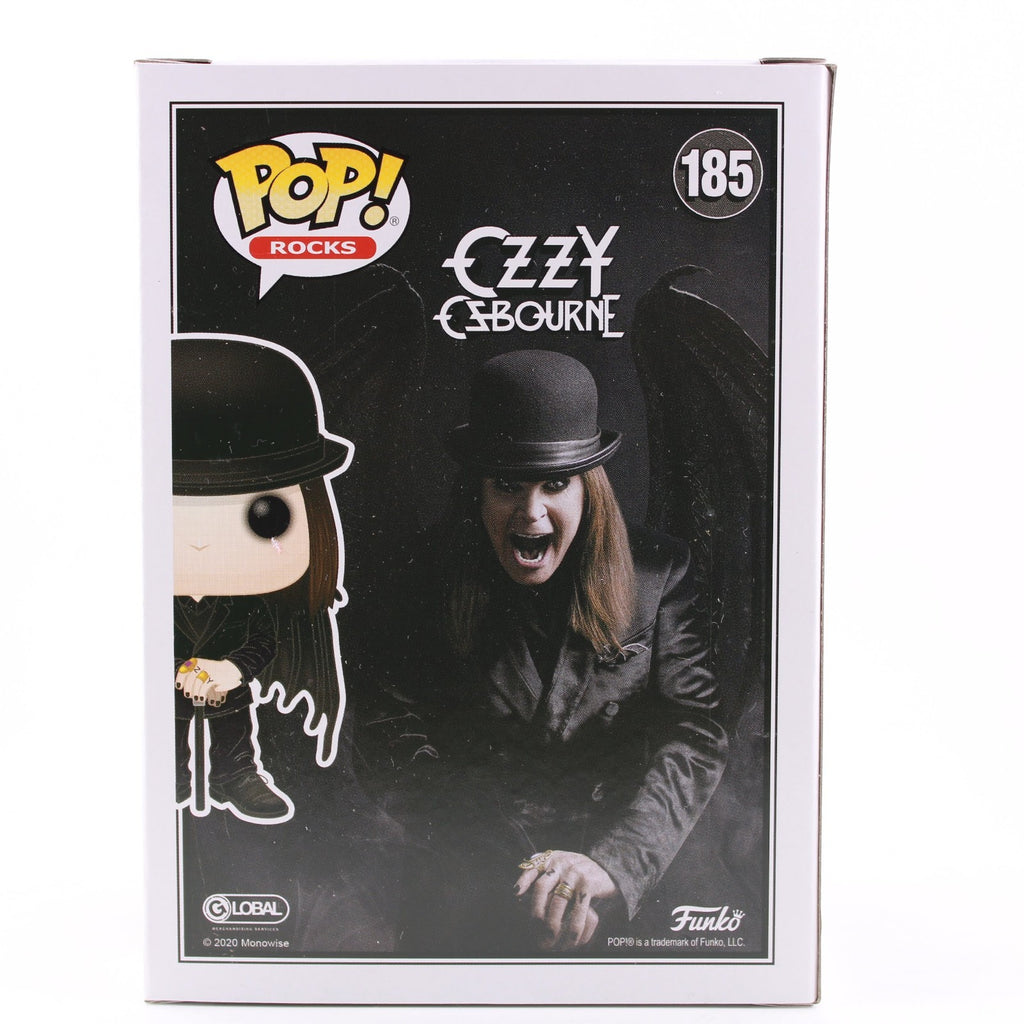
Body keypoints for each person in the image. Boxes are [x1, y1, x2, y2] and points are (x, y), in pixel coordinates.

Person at [388, 349, 728, 954]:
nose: (531, 511)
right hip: (470, 873)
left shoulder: (658, 573)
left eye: (554, 484)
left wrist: (612, 865)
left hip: (622, 879)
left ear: (588, 489)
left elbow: (695, 730)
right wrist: (524, 873)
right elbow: (389, 733)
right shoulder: (421, 575)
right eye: (507, 485)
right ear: (477, 492)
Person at [172, 334, 353, 823]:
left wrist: (231, 669)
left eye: (266, 516)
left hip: (228, 693)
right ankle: (170, 779)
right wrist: (181, 669)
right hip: (162, 704)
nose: (201, 545)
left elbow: (264, 640)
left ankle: (236, 776)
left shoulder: (249, 598)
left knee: (234, 731)